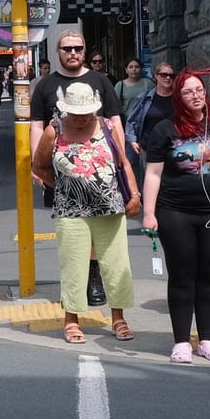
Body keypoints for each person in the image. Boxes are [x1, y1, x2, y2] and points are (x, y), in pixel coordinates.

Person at [141, 72, 210, 364]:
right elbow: (153, 173)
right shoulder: (165, 130)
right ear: (178, 98)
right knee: (182, 276)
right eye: (188, 92)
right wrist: (149, 213)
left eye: (199, 90)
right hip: (175, 212)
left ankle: (207, 340)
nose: (196, 96)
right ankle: (182, 342)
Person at [32, 81, 138, 345]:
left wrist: (135, 195)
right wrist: (68, 185)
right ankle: (71, 320)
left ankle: (118, 318)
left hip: (110, 208)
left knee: (116, 264)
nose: (81, 119)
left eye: (86, 114)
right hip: (70, 210)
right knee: (74, 265)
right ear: (66, 110)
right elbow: (39, 166)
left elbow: (123, 164)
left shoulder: (108, 127)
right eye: (76, 114)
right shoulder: (53, 130)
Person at [28, 33, 123, 305]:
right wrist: (37, 164)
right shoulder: (46, 86)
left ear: (84, 51)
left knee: (99, 225)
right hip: (62, 171)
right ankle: (75, 283)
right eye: (67, 48)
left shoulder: (100, 81)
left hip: (100, 170)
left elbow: (115, 120)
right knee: (71, 228)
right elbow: (37, 125)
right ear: (58, 51)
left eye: (78, 48)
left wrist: (119, 158)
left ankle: (94, 278)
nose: (73, 52)